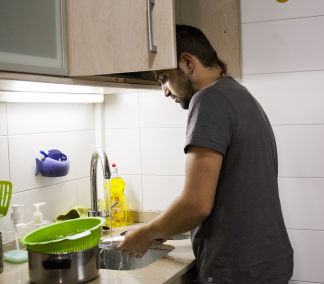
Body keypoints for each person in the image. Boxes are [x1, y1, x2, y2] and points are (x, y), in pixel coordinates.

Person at [116, 25, 293, 284]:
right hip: (264, 265)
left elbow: (196, 204)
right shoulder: (239, 95)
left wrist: (145, 233)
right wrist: (164, 227)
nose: (165, 91)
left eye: (163, 77)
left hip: (238, 271)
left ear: (188, 62)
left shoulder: (209, 100)